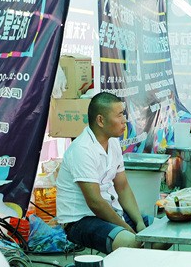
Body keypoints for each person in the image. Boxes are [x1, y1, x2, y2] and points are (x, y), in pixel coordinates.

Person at [56, 92, 151, 253]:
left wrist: (139, 222)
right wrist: (128, 229)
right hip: (80, 220)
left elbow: (123, 187)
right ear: (100, 120)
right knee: (132, 243)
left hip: (111, 210)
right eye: (119, 115)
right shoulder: (82, 149)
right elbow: (95, 202)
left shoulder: (113, 143)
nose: (124, 120)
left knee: (162, 234)